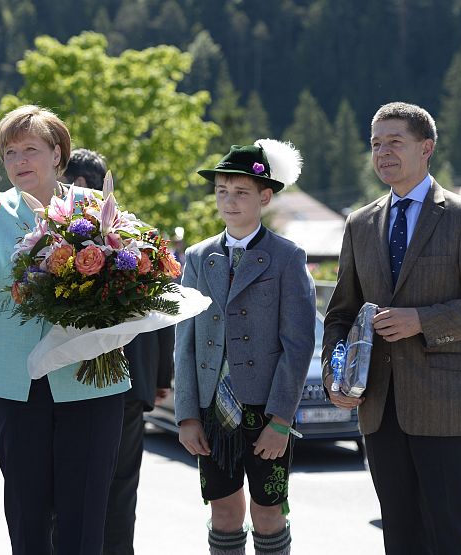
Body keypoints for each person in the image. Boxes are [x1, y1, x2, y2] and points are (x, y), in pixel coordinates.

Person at [321, 101, 461, 554]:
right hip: (379, 410)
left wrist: (420, 321)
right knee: (400, 538)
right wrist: (335, 373)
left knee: (450, 537)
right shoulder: (360, 223)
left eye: (394, 142)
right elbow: (340, 315)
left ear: (426, 148)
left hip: (446, 411)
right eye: (375, 144)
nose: (382, 152)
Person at [0, 104, 128, 555]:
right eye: (9, 152)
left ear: (57, 154)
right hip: (17, 379)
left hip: (88, 378)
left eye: (30, 149)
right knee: (26, 511)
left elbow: (130, 281)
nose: (18, 161)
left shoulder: (92, 207)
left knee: (84, 513)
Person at [175, 142, 315, 555]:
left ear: (265, 196)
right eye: (222, 191)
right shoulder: (199, 258)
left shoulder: (287, 257)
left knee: (269, 513)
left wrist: (281, 421)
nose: (229, 201)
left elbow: (298, 344)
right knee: (222, 512)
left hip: (266, 411)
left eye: (240, 192)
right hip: (211, 410)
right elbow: (185, 342)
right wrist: (186, 414)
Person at [62, 147, 175, 555]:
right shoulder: (138, 234)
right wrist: (161, 377)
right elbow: (163, 308)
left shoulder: (60, 239)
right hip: (132, 382)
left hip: (81, 383)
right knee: (121, 487)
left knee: (71, 487)